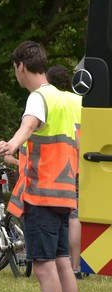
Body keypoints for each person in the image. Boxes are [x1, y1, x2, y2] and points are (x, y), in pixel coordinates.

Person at [0, 40, 83, 292]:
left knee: (44, 268)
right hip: (65, 193)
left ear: (20, 66)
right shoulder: (71, 100)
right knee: (63, 264)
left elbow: (27, 125)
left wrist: (11, 145)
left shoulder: (39, 96)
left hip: (41, 195)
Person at [47, 65, 85, 279]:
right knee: (75, 215)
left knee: (56, 215)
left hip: (57, 166)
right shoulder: (80, 101)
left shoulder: (50, 102)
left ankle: (55, 262)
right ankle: (76, 265)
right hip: (81, 165)